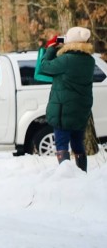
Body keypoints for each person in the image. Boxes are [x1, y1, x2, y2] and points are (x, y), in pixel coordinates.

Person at [38, 27, 95, 172]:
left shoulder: (66, 60)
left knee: (62, 144)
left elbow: (44, 67)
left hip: (63, 111)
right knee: (77, 143)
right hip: (81, 111)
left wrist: (51, 48)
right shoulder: (89, 61)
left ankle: (67, 177)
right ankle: (82, 173)